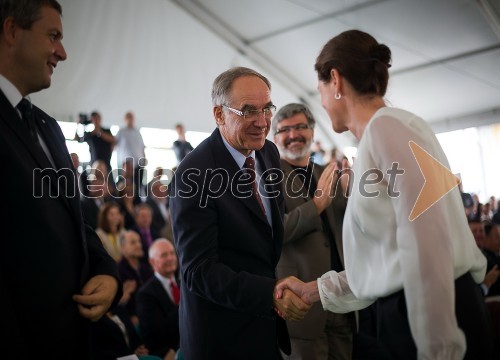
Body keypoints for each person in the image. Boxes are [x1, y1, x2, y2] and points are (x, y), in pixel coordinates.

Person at [276, 30, 492, 359]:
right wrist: (314, 290)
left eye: (319, 90)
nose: (321, 102)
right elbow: (390, 259)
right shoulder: (391, 129)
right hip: (420, 308)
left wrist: (439, 347)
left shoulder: (384, 130)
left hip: (430, 317)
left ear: (335, 80)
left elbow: (427, 242)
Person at [0, 1, 121, 358]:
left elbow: (76, 219)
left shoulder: (48, 126)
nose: (62, 53)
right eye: (53, 36)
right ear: (11, 31)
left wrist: (106, 270)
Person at [169, 66, 310, 359]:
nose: (262, 121)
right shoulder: (193, 174)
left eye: (267, 108)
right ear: (219, 115)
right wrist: (269, 293)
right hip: (221, 336)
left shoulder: (268, 153)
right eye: (248, 111)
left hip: (265, 329)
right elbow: (198, 271)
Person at [273, 103, 354, 359]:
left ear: (312, 131)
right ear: (274, 138)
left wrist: (353, 196)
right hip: (302, 299)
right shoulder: (266, 178)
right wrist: (316, 205)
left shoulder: (326, 173)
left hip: (340, 294)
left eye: (300, 127)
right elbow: (273, 232)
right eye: (285, 130)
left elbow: (347, 226)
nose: (293, 134)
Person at [136, 238, 180, 360]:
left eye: (172, 253)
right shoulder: (145, 294)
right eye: (164, 255)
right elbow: (156, 333)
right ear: (152, 262)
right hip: (165, 352)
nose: (170, 258)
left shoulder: (185, 285)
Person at [115, 111, 146, 194]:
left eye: (131, 117)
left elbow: (142, 147)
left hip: (138, 165)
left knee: (137, 187)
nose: (130, 119)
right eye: (128, 117)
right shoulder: (121, 131)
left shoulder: (137, 132)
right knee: (125, 186)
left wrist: (144, 159)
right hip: (125, 165)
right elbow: (114, 144)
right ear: (125, 119)